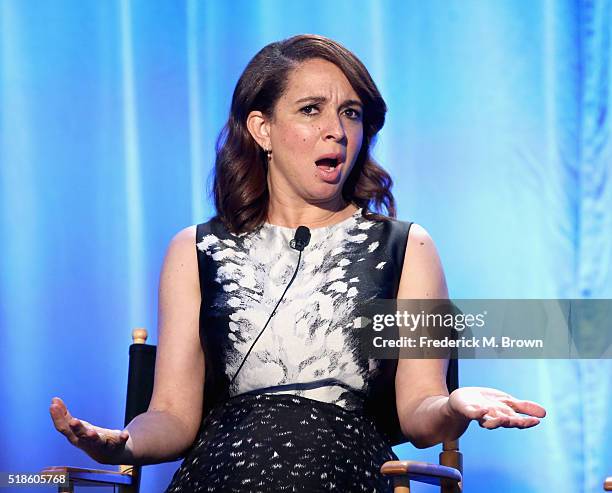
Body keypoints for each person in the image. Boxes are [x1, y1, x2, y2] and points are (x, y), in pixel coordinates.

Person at [50, 34, 546, 492]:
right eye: (312, 110)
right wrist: (123, 442)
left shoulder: (406, 247)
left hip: (344, 467)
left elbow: (419, 411)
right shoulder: (193, 250)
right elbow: (173, 417)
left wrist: (452, 407)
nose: (337, 131)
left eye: (351, 113)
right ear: (262, 129)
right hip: (223, 468)